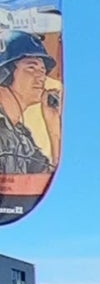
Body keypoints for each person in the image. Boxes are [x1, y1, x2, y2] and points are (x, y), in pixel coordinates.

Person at [0, 31, 60, 183]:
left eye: (43, 71)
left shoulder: (22, 136)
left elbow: (49, 181)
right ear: (4, 74)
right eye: (31, 68)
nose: (41, 77)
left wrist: (53, 124)